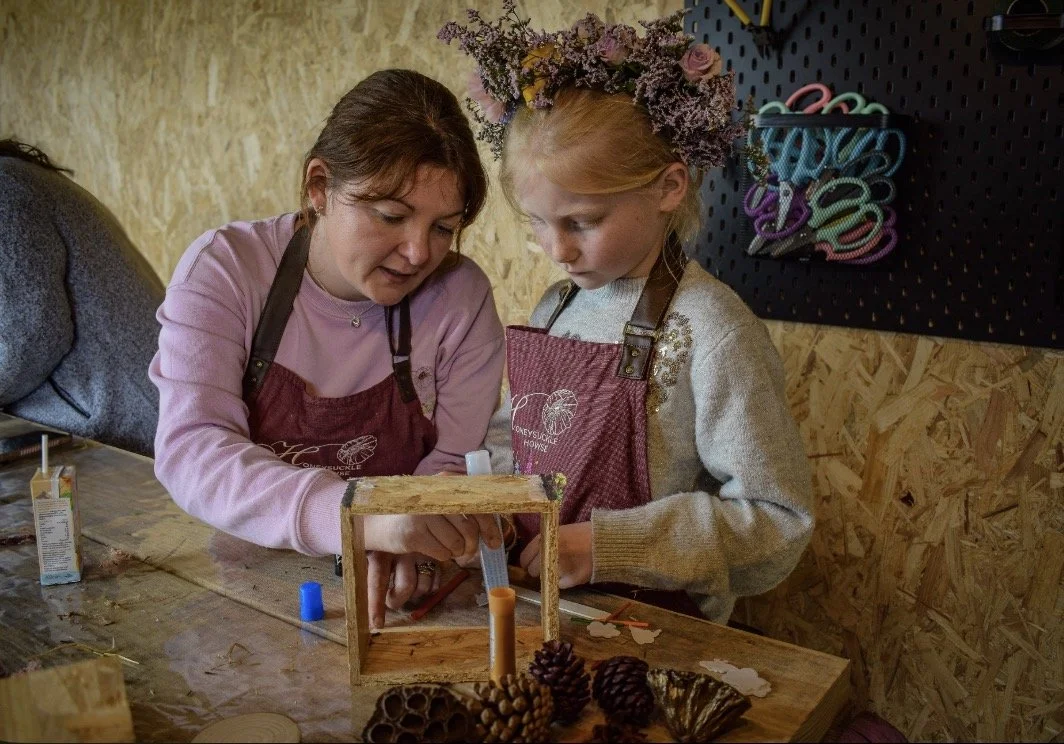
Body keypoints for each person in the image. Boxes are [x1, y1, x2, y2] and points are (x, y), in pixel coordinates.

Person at [441, 7, 814, 623]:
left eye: (581, 222)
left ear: (669, 187)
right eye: (537, 222)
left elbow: (778, 523)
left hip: (655, 626)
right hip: (545, 610)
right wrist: (491, 501)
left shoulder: (711, 329)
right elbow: (528, 436)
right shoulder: (558, 305)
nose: (556, 251)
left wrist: (608, 545)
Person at [150, 70, 504, 627]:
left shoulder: (461, 298)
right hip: (247, 578)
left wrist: (416, 524)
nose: (417, 253)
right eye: (391, 216)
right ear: (320, 187)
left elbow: (451, 463)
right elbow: (194, 450)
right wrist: (358, 516)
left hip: (389, 590)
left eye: (443, 228)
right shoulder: (225, 270)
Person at [0, 139, 164, 456]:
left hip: (123, 429)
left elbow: (28, 339)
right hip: (122, 417)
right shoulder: (21, 180)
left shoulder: (6, 188)